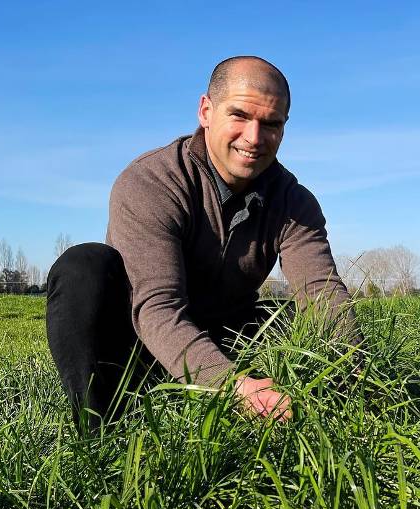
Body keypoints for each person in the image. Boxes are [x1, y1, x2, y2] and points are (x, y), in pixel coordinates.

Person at [47, 56, 360, 426]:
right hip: (142, 345)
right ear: (206, 111)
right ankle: (102, 431)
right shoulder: (151, 182)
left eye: (271, 123)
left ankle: (299, 404)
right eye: (239, 116)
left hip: (225, 333)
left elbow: (321, 292)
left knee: (294, 319)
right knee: (83, 268)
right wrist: (230, 386)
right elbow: (157, 307)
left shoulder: (294, 202)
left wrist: (357, 379)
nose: (254, 138)